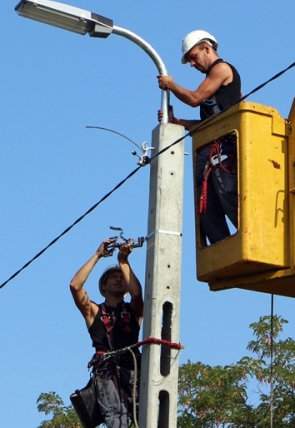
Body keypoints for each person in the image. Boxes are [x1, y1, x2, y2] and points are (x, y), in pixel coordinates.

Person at [157, 30, 242, 244]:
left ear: (207, 48)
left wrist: (171, 85)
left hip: (224, 152)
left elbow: (195, 99)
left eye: (193, 57)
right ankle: (225, 251)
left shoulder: (222, 69)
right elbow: (207, 123)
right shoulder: (212, 82)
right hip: (210, 152)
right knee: (206, 210)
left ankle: (247, 239)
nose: (192, 64)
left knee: (228, 195)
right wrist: (178, 123)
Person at [70, 238, 143, 428]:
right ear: (104, 286)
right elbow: (75, 286)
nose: (118, 279)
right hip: (108, 372)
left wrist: (123, 261)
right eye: (113, 277)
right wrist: (98, 255)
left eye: (121, 277)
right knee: (117, 418)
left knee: (144, 413)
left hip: (134, 371)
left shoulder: (133, 310)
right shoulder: (94, 311)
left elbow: (137, 294)